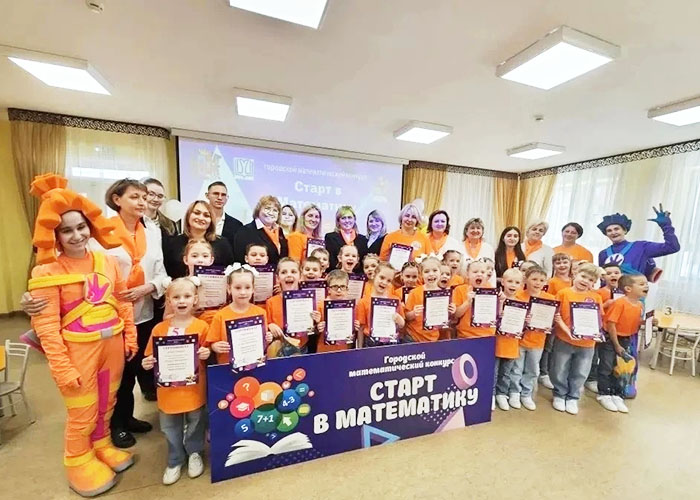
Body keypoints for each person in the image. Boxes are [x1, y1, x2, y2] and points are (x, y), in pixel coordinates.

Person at [26, 174, 137, 497]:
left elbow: (122, 301)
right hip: (78, 350)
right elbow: (47, 326)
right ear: (53, 234)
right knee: (82, 411)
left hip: (112, 344)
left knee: (107, 401)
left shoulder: (107, 261)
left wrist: (130, 336)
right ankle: (77, 460)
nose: (77, 235)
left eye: (81, 227)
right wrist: (61, 367)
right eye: (66, 230)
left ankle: (101, 445)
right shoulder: (46, 271)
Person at [142, 278, 210, 485]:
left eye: (187, 296)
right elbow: (150, 355)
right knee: (170, 427)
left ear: (195, 299)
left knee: (196, 422)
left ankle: (195, 453)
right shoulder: (159, 329)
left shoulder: (202, 326)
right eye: (176, 297)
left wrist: (206, 353)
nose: (182, 301)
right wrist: (147, 362)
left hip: (194, 389)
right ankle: (175, 460)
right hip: (168, 392)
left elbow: (208, 351)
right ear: (168, 300)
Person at [551, 263, 604, 415]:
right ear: (575, 275)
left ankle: (573, 396)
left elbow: (598, 319)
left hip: (587, 343)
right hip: (564, 339)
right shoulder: (563, 293)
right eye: (583, 276)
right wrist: (567, 331)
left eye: (590, 279)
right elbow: (556, 315)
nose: (585, 281)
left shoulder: (596, 297)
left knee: (581, 371)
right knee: (559, 368)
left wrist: (597, 333)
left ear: (594, 283)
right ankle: (559, 394)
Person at [596, 274, 648, 413]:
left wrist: (647, 322)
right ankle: (604, 393)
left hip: (626, 339)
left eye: (646, 284)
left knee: (620, 368)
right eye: (641, 284)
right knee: (606, 366)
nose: (646, 286)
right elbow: (611, 324)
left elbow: (633, 322)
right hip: (611, 339)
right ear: (628, 288)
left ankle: (617, 394)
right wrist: (616, 345)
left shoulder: (639, 305)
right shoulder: (619, 303)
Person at [512, 266, 557, 411]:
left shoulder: (550, 299)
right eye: (534, 279)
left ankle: (526, 394)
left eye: (541, 280)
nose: (538, 283)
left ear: (546, 282)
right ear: (526, 280)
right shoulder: (518, 296)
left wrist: (553, 321)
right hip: (519, 340)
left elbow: (552, 321)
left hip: (538, 341)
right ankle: (514, 392)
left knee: (532, 370)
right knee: (516, 368)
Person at [597, 205, 680, 282]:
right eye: (609, 230)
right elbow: (603, 279)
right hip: (608, 292)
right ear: (606, 234)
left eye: (616, 229)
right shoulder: (603, 254)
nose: (613, 232)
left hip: (633, 291)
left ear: (625, 230)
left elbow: (672, 247)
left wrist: (666, 226)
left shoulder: (641, 247)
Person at [206, 265, 269, 364]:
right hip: (227, 366)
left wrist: (267, 338)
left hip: (254, 364)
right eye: (238, 288)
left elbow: (262, 341)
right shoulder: (220, 316)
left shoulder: (260, 313)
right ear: (229, 289)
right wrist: (215, 346)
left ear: (253, 289)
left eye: (247, 287)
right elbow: (211, 343)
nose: (243, 292)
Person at [162, 200, 235, 279]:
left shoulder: (223, 244)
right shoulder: (174, 243)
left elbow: (230, 272)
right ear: (188, 216)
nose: (201, 218)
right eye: (197, 213)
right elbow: (167, 272)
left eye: (206, 215)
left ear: (211, 220)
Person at [265, 258, 316, 357]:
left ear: (300, 276)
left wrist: (316, 321)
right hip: (278, 350)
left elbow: (314, 328)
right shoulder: (271, 302)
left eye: (293, 272)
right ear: (277, 278)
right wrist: (269, 325)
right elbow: (267, 326)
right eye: (284, 272)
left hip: (302, 348)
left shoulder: (308, 300)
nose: (289, 275)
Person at [493, 268, 525, 411]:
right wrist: (500, 304)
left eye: (517, 282)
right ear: (503, 282)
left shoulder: (521, 304)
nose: (513, 285)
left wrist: (526, 321)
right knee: (493, 372)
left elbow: (522, 328)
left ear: (521, 285)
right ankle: (491, 394)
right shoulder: (496, 299)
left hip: (512, 345)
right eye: (510, 281)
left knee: (506, 373)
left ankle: (502, 394)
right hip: (497, 343)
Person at [404, 256, 455, 343]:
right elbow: (406, 316)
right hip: (413, 337)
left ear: (440, 272)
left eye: (435, 270)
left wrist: (452, 311)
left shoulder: (445, 295)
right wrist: (413, 313)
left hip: (433, 339)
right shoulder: (415, 292)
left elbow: (447, 320)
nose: (431, 274)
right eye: (426, 271)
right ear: (421, 275)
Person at [357, 262, 405, 347]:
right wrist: (360, 348)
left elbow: (401, 325)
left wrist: (399, 319)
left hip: (390, 342)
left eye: (389, 281)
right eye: (382, 277)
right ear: (374, 275)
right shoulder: (363, 302)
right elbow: (361, 328)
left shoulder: (395, 301)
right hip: (371, 342)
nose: (384, 282)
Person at [234, 195, 288, 267]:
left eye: (275, 210)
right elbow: (240, 258)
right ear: (258, 210)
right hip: (255, 273)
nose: (271, 213)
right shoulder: (245, 231)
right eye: (267, 208)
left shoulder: (279, 231)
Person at [314, 270, 360, 353]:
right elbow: (314, 331)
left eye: (342, 287)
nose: (339, 290)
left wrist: (355, 328)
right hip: (324, 350)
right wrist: (318, 328)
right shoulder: (321, 305)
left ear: (347, 289)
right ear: (328, 289)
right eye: (335, 286)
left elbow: (352, 336)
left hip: (344, 350)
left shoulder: (352, 307)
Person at [324, 206, 368, 271]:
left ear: (354, 219)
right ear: (338, 221)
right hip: (337, 274)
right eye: (343, 218)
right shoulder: (330, 237)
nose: (347, 221)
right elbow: (331, 261)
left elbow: (363, 262)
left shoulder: (363, 239)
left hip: (357, 276)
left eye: (349, 217)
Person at [204, 182, 243, 251]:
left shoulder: (236, 225)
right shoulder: (200, 221)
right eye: (216, 194)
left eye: (223, 195)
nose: (219, 198)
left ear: (227, 198)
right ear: (207, 195)